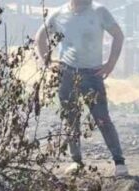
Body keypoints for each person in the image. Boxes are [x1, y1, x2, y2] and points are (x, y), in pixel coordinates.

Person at [35, 0, 128, 177]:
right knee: (70, 118)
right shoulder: (59, 13)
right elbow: (40, 37)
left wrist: (110, 64)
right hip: (67, 73)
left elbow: (118, 35)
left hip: (92, 74)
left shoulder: (98, 11)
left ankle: (119, 162)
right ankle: (76, 161)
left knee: (102, 118)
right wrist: (46, 61)